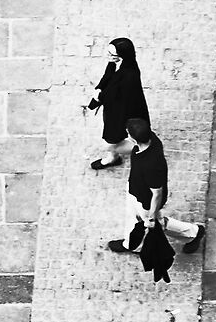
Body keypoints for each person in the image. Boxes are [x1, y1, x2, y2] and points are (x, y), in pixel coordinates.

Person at [105, 115, 201, 266]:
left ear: (134, 139)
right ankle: (133, 244)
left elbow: (157, 193)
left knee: (156, 223)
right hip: (134, 189)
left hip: (145, 200)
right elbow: (132, 148)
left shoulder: (152, 165)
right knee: (133, 218)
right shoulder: (150, 140)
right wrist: (114, 148)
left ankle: (193, 233)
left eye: (128, 134)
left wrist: (151, 215)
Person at [84, 38, 146, 168]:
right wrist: (100, 88)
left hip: (121, 113)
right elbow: (107, 77)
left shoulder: (129, 75)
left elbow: (114, 95)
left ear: (121, 56)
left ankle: (141, 149)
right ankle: (112, 157)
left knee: (110, 142)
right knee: (111, 138)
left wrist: (99, 97)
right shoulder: (118, 63)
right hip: (113, 109)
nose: (108, 56)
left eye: (112, 54)